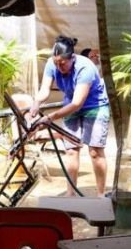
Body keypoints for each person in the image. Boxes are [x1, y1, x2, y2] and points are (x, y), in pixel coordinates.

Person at [19, 35, 110, 196]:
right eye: (56, 63)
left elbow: (77, 103)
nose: (59, 67)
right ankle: (71, 193)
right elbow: (44, 90)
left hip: (95, 105)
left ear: (72, 58)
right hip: (70, 102)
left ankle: (101, 195)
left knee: (95, 151)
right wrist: (35, 105)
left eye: (62, 63)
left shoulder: (86, 68)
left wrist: (49, 118)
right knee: (71, 150)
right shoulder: (51, 64)